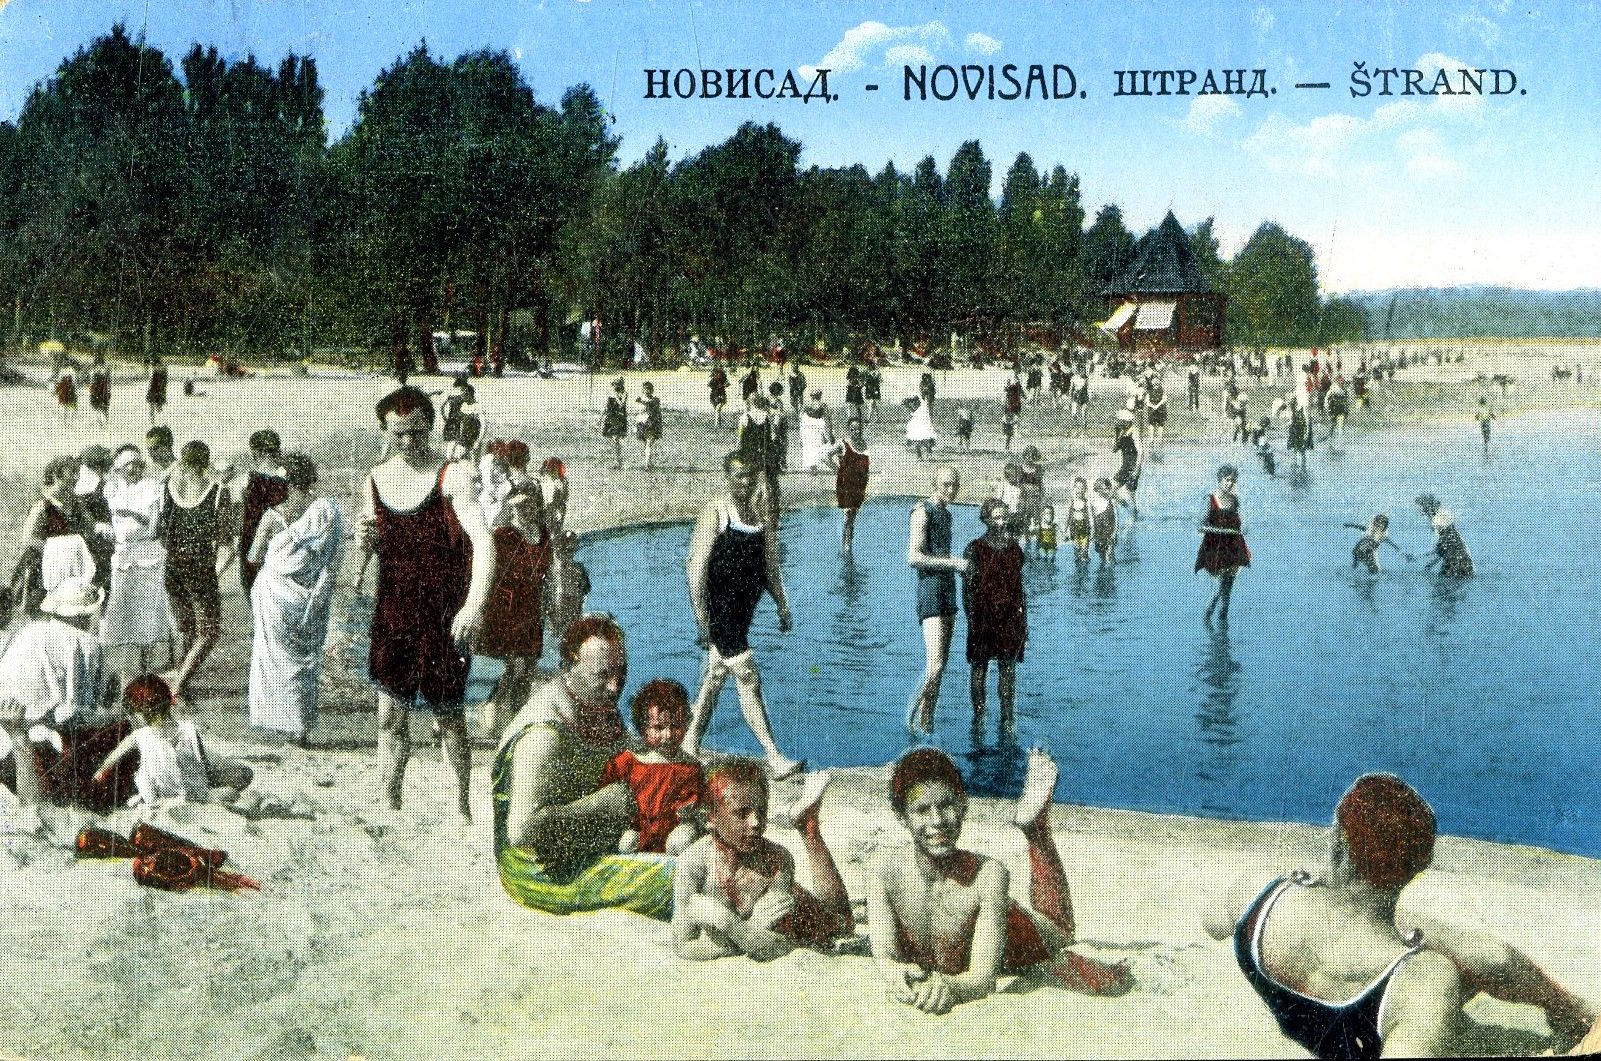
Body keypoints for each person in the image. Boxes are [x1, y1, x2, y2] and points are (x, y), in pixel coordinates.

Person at [1204, 773, 1595, 1058]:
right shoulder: (1424, 980)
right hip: (1375, 1015)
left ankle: (1567, 1008)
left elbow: (1214, 923)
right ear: (1418, 868)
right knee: (1482, 963)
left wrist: (1308, 883)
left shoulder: (1259, 892)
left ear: (1338, 843)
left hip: (1318, 1012)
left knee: (1475, 954)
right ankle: (1571, 1010)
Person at [868, 748, 1132, 1014]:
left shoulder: (989, 875)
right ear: (901, 817)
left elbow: (983, 980)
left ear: (963, 806)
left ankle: (1036, 829)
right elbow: (885, 955)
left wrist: (950, 986)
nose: (937, 820)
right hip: (980, 919)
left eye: (946, 805)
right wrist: (894, 971)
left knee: (1062, 934)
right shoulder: (883, 870)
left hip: (1017, 930)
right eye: (922, 810)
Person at [355, 386, 495, 821]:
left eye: (417, 432)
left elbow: (485, 543)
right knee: (390, 716)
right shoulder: (375, 479)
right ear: (385, 431)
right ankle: (391, 803)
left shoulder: (452, 475)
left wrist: (474, 606)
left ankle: (461, 806)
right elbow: (370, 542)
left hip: (443, 614)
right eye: (399, 434)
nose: (408, 442)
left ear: (430, 428)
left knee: (449, 717)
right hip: (394, 611)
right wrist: (365, 544)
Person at [492, 614, 674, 919]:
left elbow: (629, 752)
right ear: (571, 666)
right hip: (538, 870)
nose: (615, 686)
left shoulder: (596, 702)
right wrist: (606, 805)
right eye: (603, 675)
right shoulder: (545, 733)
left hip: (586, 839)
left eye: (621, 672)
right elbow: (521, 832)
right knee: (676, 879)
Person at [683, 453, 802, 779]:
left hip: (743, 612)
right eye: (738, 476)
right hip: (719, 611)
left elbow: (770, 566)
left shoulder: (761, 516)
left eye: (750, 476)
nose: (745, 482)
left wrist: (782, 604)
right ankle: (774, 756)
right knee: (748, 677)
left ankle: (689, 744)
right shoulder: (717, 512)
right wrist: (702, 618)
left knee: (716, 674)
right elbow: (695, 567)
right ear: (728, 478)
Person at [673, 762, 852, 960]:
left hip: (808, 920)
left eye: (762, 811)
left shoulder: (777, 859)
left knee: (843, 924)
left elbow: (778, 945)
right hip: (777, 914)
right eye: (742, 813)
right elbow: (683, 946)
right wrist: (748, 931)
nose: (756, 822)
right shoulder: (693, 863)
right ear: (710, 817)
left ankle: (809, 828)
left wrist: (728, 923)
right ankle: (806, 823)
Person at [0, 577, 129, 811]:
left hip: (8, 737)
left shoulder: (28, 632)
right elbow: (82, 711)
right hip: (45, 746)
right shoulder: (87, 643)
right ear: (87, 613)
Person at [247, 453, 345, 744]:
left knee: (276, 658)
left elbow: (253, 556)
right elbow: (333, 555)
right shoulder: (326, 511)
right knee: (305, 660)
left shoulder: (273, 516)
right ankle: (301, 728)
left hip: (274, 594)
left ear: (286, 481)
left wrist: (279, 554)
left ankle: (282, 721)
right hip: (310, 595)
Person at [476, 440, 550, 739]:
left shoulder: (543, 536)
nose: (524, 510)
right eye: (518, 506)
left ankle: (517, 725)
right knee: (512, 668)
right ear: (511, 507)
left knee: (527, 671)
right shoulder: (502, 536)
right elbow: (489, 576)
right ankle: (493, 716)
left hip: (531, 610)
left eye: (529, 505)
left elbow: (547, 575)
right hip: (506, 609)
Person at [93, 674, 252, 809]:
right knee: (241, 777)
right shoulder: (188, 728)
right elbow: (204, 767)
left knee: (239, 778)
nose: (131, 717)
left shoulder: (140, 735)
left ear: (142, 712)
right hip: (194, 794)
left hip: (164, 796)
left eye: (133, 712)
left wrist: (100, 773)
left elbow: (110, 761)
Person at [157, 441, 236, 700]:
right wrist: (216, 570)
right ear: (206, 463)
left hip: (171, 566)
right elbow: (226, 543)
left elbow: (160, 532)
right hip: (199, 566)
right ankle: (179, 685)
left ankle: (181, 679)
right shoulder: (218, 491)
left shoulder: (167, 488)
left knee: (188, 628)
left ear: (182, 460)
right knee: (209, 632)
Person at [603, 678, 703, 856]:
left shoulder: (690, 767)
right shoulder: (628, 762)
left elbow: (696, 803)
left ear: (686, 724)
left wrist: (689, 812)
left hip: (672, 834)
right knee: (627, 842)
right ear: (643, 728)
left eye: (675, 726)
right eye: (658, 727)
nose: (668, 734)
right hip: (638, 831)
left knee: (682, 841)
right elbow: (607, 795)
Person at [102, 446, 173, 674]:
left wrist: (131, 514)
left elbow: (154, 528)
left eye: (136, 463)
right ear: (118, 468)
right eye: (127, 464)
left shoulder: (151, 487)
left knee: (149, 613)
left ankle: (149, 667)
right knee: (123, 613)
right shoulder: (111, 489)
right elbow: (108, 522)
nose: (132, 468)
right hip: (123, 557)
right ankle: (126, 672)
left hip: (148, 557)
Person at [908, 467, 967, 734]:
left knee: (940, 666)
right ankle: (917, 720)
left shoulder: (947, 514)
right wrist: (954, 563)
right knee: (936, 664)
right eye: (946, 485)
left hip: (947, 589)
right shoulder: (922, 512)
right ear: (935, 484)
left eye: (954, 485)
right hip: (930, 590)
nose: (951, 490)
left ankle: (925, 723)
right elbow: (914, 557)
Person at [963, 498, 1026, 731]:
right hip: (983, 617)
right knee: (979, 667)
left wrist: (1024, 623)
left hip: (1009, 618)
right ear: (986, 520)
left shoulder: (1015, 549)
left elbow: (1019, 589)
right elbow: (967, 589)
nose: (1002, 521)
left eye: (1004, 516)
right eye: (997, 517)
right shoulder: (974, 548)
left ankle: (1007, 719)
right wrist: (971, 619)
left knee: (1008, 669)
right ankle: (979, 718)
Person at [11, 457, 92, 618]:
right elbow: (28, 539)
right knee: (41, 618)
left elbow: (90, 530)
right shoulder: (43, 506)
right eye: (72, 472)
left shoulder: (77, 506)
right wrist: (59, 551)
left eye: (78, 473)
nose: (76, 477)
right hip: (42, 570)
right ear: (56, 474)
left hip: (69, 572)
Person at [1196, 465, 1251, 625]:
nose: (1230, 483)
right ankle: (1206, 623)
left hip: (1232, 549)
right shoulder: (1210, 499)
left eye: (1233, 481)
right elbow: (1200, 526)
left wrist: (1243, 529)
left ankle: (1222, 630)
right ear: (1219, 480)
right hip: (1214, 549)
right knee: (1217, 590)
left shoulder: (1235, 500)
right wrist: (1222, 531)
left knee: (1227, 594)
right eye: (1227, 480)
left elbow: (1238, 523)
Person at [238, 429, 289, 594]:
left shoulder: (247, 478)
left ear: (256, 452)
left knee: (252, 589)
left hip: (251, 537)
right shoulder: (287, 477)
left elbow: (241, 510)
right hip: (280, 540)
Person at [542, 530, 590, 658]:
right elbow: (545, 600)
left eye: (571, 550)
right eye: (565, 550)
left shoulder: (579, 569)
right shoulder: (550, 571)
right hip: (558, 616)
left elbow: (584, 594)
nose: (568, 554)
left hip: (571, 613)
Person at [833, 416, 870, 553]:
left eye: (858, 428)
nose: (856, 431)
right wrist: (838, 470)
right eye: (853, 429)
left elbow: (865, 466)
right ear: (849, 429)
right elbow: (825, 456)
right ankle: (845, 546)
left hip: (860, 485)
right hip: (846, 484)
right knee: (848, 514)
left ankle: (849, 543)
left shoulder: (863, 444)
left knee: (853, 516)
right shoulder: (843, 444)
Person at [1415, 494, 1474, 578]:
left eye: (1421, 509)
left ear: (1426, 508)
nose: (1421, 513)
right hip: (1464, 562)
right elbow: (1441, 550)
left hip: (1453, 563)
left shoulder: (1437, 522)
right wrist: (1428, 566)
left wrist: (1417, 557)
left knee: (1443, 584)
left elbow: (1437, 549)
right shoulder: (1445, 520)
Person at [1348, 514, 1412, 574]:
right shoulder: (1376, 533)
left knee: (1368, 569)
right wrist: (1350, 525)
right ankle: (1357, 573)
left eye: (1379, 525)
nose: (1377, 526)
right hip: (1362, 550)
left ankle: (1355, 573)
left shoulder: (1378, 534)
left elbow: (1394, 546)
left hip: (1360, 550)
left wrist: (1405, 555)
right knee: (1373, 570)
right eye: (1377, 524)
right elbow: (1394, 546)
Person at [1111, 410, 1143, 519]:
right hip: (1125, 465)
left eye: (1119, 420)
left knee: (1130, 492)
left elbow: (1140, 451)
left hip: (1133, 465)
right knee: (1112, 490)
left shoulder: (1134, 431)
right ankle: (1128, 507)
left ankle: (1134, 514)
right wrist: (1117, 437)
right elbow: (1114, 450)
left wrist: (1137, 468)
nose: (1117, 422)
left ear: (1126, 421)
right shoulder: (1120, 431)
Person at [797, 389, 835, 474]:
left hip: (808, 428)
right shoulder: (823, 405)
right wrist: (830, 433)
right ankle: (815, 466)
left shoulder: (806, 405)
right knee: (817, 447)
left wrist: (801, 435)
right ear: (820, 396)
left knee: (809, 447)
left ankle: (813, 467)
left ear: (812, 397)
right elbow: (828, 419)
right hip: (817, 428)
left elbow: (801, 418)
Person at [634, 381, 663, 469]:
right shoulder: (639, 400)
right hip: (642, 423)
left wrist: (642, 402)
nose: (647, 391)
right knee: (646, 443)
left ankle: (647, 463)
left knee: (649, 443)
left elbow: (653, 407)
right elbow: (638, 412)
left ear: (652, 390)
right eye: (645, 389)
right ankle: (648, 462)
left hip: (652, 423)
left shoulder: (655, 399)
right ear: (643, 390)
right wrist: (635, 425)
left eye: (649, 389)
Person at [600, 378, 628, 470]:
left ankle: (618, 462)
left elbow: (622, 404)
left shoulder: (624, 393)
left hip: (619, 418)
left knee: (616, 440)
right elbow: (606, 407)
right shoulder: (610, 393)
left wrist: (616, 396)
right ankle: (617, 461)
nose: (614, 387)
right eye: (613, 385)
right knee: (613, 440)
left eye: (616, 385)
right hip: (610, 417)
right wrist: (600, 420)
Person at [1091, 476, 1117, 566]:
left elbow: (1116, 519)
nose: (1108, 490)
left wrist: (1114, 533)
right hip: (1099, 533)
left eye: (1109, 488)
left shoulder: (1112, 501)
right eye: (1106, 489)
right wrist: (1093, 534)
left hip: (1110, 532)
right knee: (1101, 555)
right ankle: (1104, 570)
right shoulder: (1094, 503)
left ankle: (1111, 569)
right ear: (1098, 490)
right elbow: (1093, 520)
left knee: (1109, 554)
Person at [1066, 477, 1092, 566]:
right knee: (1077, 552)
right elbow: (1068, 517)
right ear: (1074, 488)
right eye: (1077, 487)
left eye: (1081, 488)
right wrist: (1065, 531)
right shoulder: (1072, 502)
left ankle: (1085, 566)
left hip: (1085, 529)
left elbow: (1090, 517)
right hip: (1074, 530)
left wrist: (1093, 530)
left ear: (1085, 489)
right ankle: (1078, 569)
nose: (1079, 490)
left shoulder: (1087, 502)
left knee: (1084, 552)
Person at [88, 355, 111, 427]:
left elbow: (91, 382)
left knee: (98, 408)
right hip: (102, 391)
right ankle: (104, 422)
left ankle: (101, 422)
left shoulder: (93, 371)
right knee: (104, 408)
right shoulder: (105, 370)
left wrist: (91, 390)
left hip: (97, 391)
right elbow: (108, 382)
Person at [145, 357, 169, 422]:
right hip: (154, 388)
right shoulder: (156, 371)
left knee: (156, 403)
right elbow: (153, 381)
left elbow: (164, 382)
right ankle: (152, 418)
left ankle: (155, 417)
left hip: (158, 388)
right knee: (153, 403)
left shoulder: (162, 370)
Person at [708, 364, 729, 428]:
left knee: (718, 409)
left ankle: (718, 424)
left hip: (722, 395)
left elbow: (728, 384)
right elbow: (709, 385)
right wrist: (716, 387)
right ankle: (718, 423)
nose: (718, 374)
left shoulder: (724, 378)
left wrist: (722, 386)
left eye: (720, 373)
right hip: (714, 396)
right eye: (717, 373)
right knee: (716, 410)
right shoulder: (713, 379)